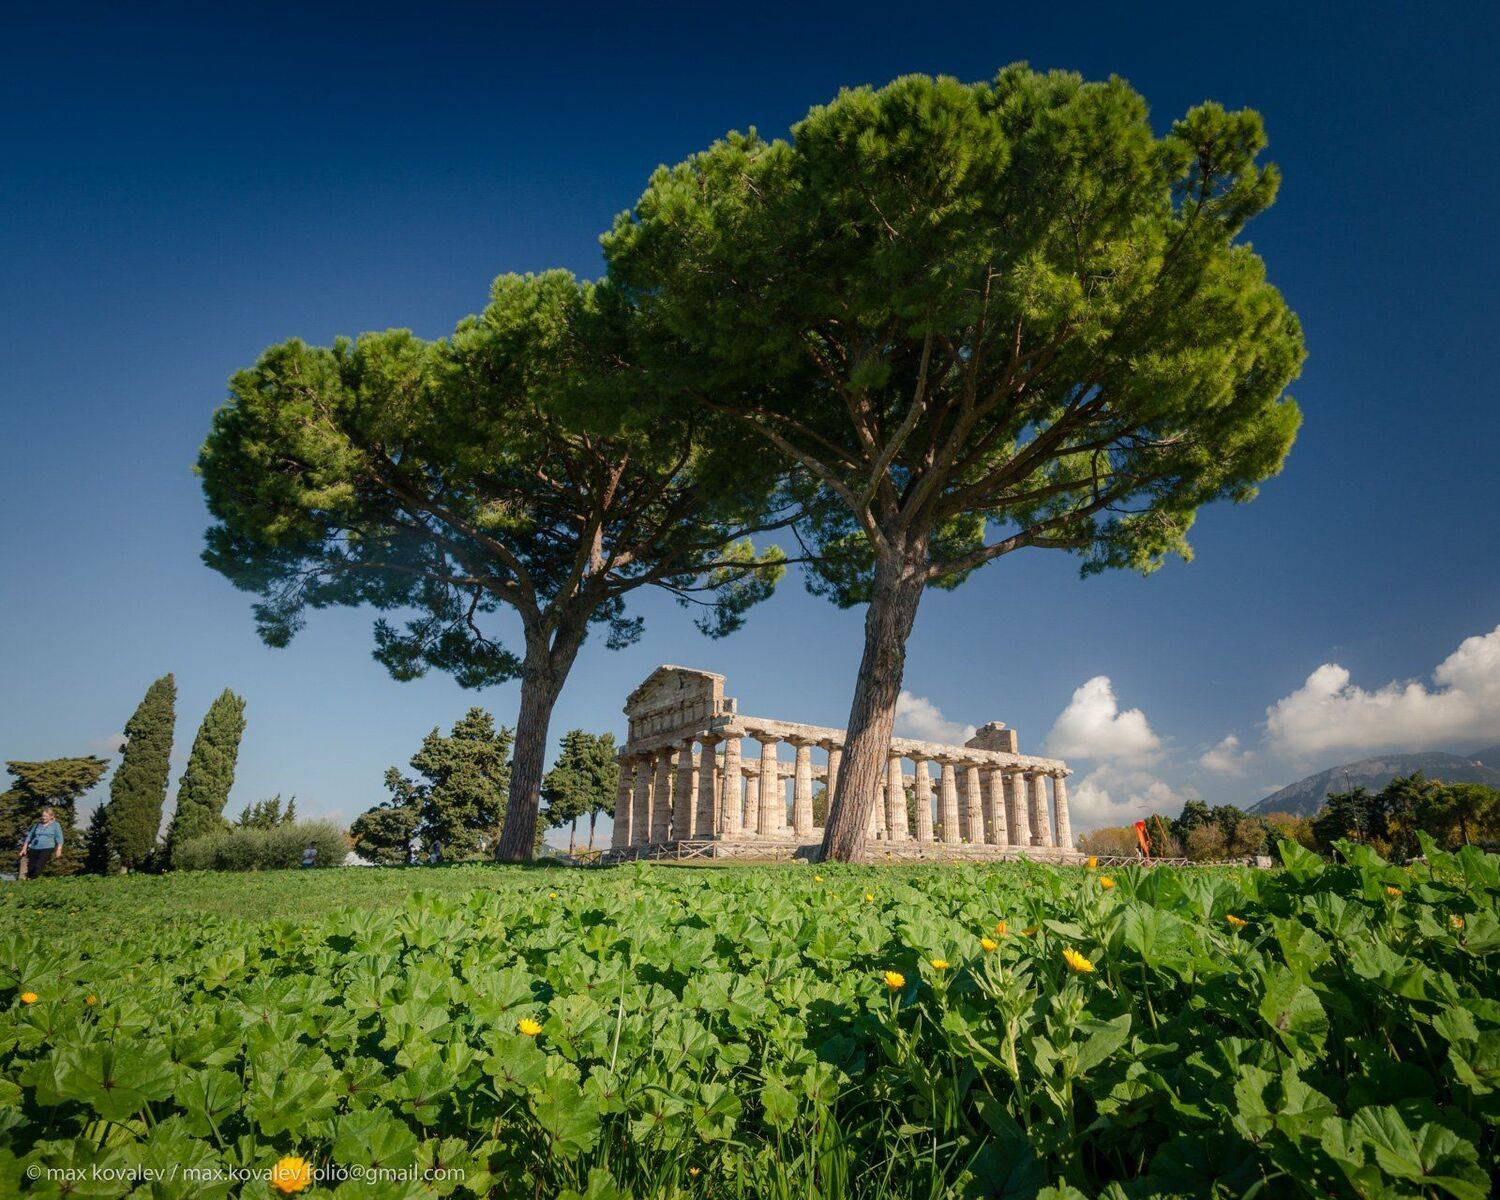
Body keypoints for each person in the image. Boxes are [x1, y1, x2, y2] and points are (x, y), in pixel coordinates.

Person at [19, 806, 64, 880]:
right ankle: (29, 881)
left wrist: (59, 849)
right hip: (34, 847)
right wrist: (24, 849)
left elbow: (59, 838)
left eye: (46, 816)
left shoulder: (56, 825)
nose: (43, 818)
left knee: (38, 866)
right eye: (43, 816)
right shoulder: (37, 825)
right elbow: (29, 836)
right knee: (30, 867)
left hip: (47, 848)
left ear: (51, 816)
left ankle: (34, 880)